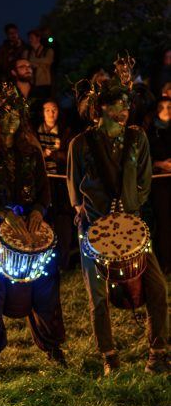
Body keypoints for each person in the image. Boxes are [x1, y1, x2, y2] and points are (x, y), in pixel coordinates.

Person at [67, 81, 168, 375]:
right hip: (93, 227)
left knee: (157, 286)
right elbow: (74, 192)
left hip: (132, 225)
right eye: (118, 104)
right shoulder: (80, 144)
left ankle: (158, 352)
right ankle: (109, 355)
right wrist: (95, 222)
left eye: (127, 104)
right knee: (97, 296)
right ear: (101, 108)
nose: (124, 110)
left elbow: (145, 181)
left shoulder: (138, 139)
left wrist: (127, 210)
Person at [0, 84, 66, 379]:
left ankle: (53, 348)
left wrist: (38, 211)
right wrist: (2, 216)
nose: (9, 122)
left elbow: (44, 191)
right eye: (4, 117)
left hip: (33, 232)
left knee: (46, 289)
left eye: (15, 116)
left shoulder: (33, 153)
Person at [37, 100, 76, 270]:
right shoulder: (35, 132)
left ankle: (62, 263)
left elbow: (69, 155)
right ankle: (43, 262)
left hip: (60, 181)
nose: (51, 113)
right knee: (44, 220)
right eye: (47, 110)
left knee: (62, 222)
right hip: (42, 181)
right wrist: (41, 154)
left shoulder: (66, 132)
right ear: (43, 112)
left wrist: (53, 154)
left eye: (54, 110)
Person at [148, 96, 171, 274]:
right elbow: (145, 156)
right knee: (163, 221)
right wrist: (158, 163)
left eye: (169, 106)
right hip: (159, 182)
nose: (166, 110)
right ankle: (164, 262)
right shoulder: (150, 130)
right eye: (162, 106)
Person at [27, 30, 54, 100]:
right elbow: (27, 63)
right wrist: (41, 64)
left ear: (38, 38)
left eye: (31, 38)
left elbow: (48, 61)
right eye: (29, 38)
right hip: (32, 84)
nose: (30, 40)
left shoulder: (48, 50)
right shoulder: (28, 52)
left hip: (44, 83)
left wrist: (33, 61)